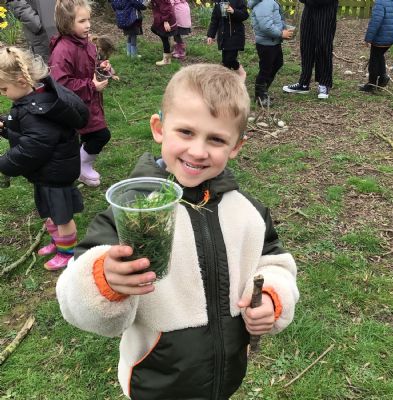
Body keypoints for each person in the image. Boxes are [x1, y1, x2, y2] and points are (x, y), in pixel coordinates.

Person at [56, 64, 299, 399]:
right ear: (159, 128)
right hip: (155, 380)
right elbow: (74, 297)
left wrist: (271, 296)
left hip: (225, 376)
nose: (198, 151)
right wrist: (104, 280)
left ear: (236, 146)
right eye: (186, 132)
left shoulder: (248, 212)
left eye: (216, 139)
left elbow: (272, 261)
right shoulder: (132, 211)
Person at [0, 47, 88, 270]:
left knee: (62, 217)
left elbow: (33, 147)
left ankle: (68, 253)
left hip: (56, 174)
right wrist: (6, 127)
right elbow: (25, 131)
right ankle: (57, 242)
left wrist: (5, 163)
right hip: (47, 171)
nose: (2, 94)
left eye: (3, 89)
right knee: (51, 211)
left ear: (21, 81)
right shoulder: (32, 101)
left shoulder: (38, 111)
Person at [49, 0, 112, 187]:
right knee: (101, 135)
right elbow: (61, 83)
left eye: (89, 20)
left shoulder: (87, 44)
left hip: (89, 101)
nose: (88, 25)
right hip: (76, 104)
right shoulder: (63, 50)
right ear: (67, 23)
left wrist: (102, 67)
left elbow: (90, 66)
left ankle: (78, 166)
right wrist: (91, 86)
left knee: (87, 136)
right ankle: (80, 166)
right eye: (82, 21)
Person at [282, 0, 338, 99]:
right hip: (308, 9)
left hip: (326, 9)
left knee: (323, 46)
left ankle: (324, 84)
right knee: (306, 45)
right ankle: (303, 83)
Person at [249, 0, 294, 106]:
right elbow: (265, 26)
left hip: (273, 41)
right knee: (266, 69)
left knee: (277, 63)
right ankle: (260, 97)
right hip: (266, 43)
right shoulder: (265, 3)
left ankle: (263, 91)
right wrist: (281, 33)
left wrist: (284, 29)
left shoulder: (269, 2)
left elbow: (275, 20)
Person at [359, 0, 393, 92]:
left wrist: (368, 38)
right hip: (391, 37)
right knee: (379, 55)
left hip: (381, 37)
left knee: (374, 61)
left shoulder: (380, 2)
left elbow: (375, 22)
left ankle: (371, 85)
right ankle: (383, 78)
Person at [207, 0, 248, 80]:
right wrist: (210, 35)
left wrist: (234, 11)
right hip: (223, 36)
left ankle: (241, 72)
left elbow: (245, 15)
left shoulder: (238, 1)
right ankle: (226, 81)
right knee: (225, 61)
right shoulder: (218, 2)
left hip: (235, 35)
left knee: (230, 59)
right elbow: (214, 19)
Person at [150, 0, 178, 66]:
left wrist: (166, 21)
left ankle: (167, 60)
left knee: (164, 37)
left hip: (166, 20)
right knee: (154, 29)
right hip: (160, 19)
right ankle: (171, 40)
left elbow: (166, 8)